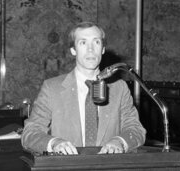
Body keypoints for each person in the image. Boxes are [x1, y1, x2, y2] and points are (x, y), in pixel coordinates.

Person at [21, 21, 146, 155]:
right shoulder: (51, 88)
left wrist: (120, 141)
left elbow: (136, 129)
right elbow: (30, 133)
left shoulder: (119, 88)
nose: (90, 49)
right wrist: (54, 143)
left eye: (96, 42)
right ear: (73, 50)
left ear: (103, 49)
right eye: (83, 42)